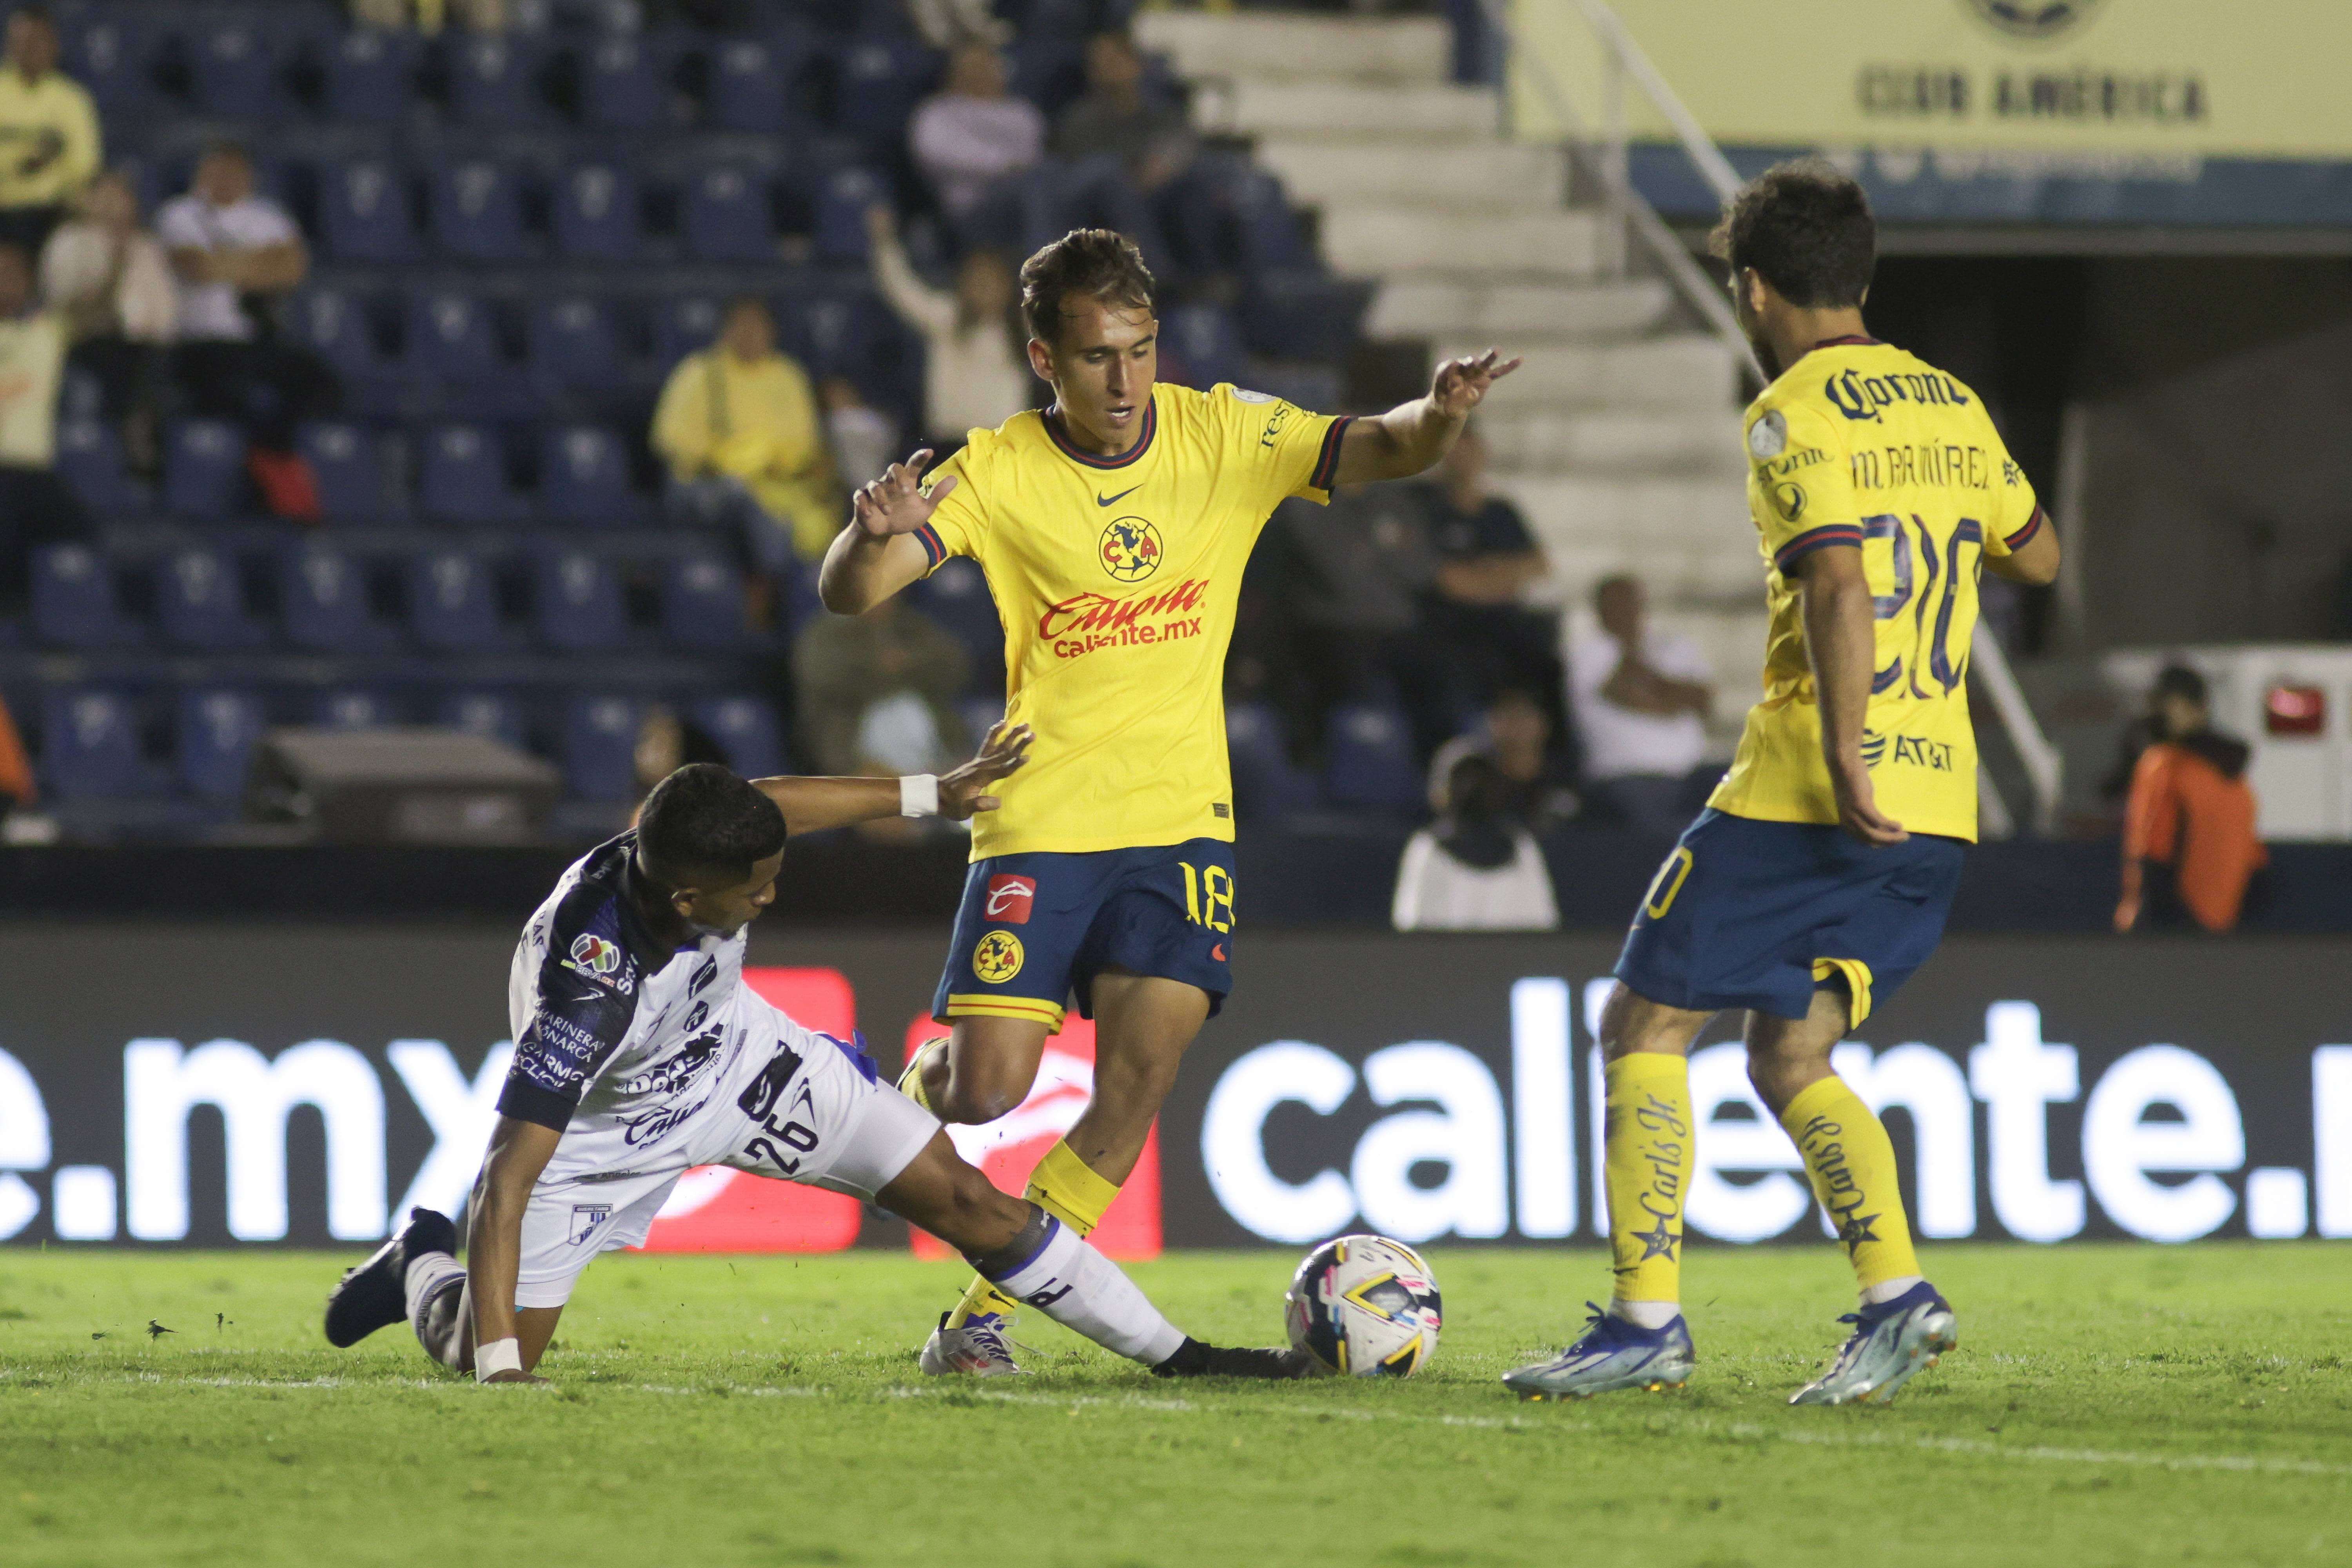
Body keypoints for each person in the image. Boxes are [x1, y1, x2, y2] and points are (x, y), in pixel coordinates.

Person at [820, 224, 1519, 1374]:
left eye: (1140, 350)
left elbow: (1385, 445)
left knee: (1139, 1076)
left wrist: (1438, 414)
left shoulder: (1223, 433)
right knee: (984, 1091)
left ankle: (980, 1320)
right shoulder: (995, 468)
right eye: (1097, 356)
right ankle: (885, 1095)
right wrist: (866, 535)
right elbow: (852, 592)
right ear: (1044, 360)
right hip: (1041, 819)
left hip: (1181, 822)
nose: (1125, 380)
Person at [1503, 161, 2060, 1405]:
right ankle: (1896, 1297)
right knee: (1791, 1052)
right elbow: (2038, 554)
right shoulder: (1954, 405)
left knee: (1641, 1025)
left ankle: (1644, 1321)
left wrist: (1848, 749)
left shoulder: (1787, 413)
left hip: (1809, 786)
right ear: (1859, 273)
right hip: (1940, 803)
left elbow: (1839, 581)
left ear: (1752, 289)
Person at [321, 746, 1305, 1385]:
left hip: (742, 1059)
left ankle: (1187, 1359)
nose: (770, 896)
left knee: (966, 1197)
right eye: (755, 890)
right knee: (480, 1341)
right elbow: (505, 1178)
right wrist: (503, 1374)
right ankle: (421, 1263)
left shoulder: (693, 843)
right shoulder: (593, 987)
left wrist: (931, 793)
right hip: (604, 1135)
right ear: (689, 898)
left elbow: (775, 804)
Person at [156, 142, 333, 519]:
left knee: (319, 381)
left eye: (234, 171)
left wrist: (226, 263)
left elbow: (292, 269)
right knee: (240, 396)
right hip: (200, 342)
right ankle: (269, 475)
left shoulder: (268, 216)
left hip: (256, 338)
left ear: (249, 177)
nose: (226, 179)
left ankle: (273, 460)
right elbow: (197, 267)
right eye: (217, 170)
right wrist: (259, 264)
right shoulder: (180, 214)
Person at [1265, 482, 1454, 766]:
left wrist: (1373, 551)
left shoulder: (1396, 499)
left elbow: (1422, 569)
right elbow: (1334, 568)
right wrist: (1384, 548)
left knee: (1444, 681)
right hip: (1334, 627)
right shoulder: (1306, 501)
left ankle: (1435, 767)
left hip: (1399, 627)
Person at [651, 296, 835, 574]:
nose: (750, 334)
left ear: (772, 332)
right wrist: (726, 460)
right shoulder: (700, 371)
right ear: (725, 330)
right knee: (741, 494)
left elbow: (805, 444)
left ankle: (797, 585)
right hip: (706, 485)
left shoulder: (788, 375)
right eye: (741, 325)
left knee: (820, 515)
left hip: (775, 484)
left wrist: (766, 459)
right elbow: (669, 440)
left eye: (758, 326)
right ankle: (773, 579)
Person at [1415, 424, 1562, 729]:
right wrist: (1502, 574)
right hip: (1448, 629)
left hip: (1505, 626)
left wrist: (1484, 571)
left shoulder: (1501, 511)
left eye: (1469, 449)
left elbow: (1540, 566)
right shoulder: (1423, 507)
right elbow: (1450, 581)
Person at [40, 169, 175, 474]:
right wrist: (116, 262)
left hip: (143, 349)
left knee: (158, 369)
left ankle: (146, 460)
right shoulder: (69, 241)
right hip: (85, 345)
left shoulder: (147, 246)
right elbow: (70, 311)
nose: (114, 204)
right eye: (105, 196)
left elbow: (165, 318)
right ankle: (119, 456)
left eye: (121, 196)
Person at [2115, 664, 2265, 934]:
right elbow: (2254, 863)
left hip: (2172, 925)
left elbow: (2152, 854)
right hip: (2224, 927)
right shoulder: (2234, 779)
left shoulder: (2165, 765)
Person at [866, 205, 1029, 450]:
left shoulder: (1025, 328)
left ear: (1008, 287)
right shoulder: (947, 318)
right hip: (948, 443)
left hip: (1001, 446)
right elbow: (901, 289)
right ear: (963, 284)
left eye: (991, 282)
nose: (983, 289)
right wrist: (884, 242)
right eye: (976, 281)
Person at [1570, 574, 1716, 836]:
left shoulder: (1674, 645)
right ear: (1599, 611)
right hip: (1628, 778)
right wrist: (1675, 694)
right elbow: (1632, 698)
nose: (1624, 612)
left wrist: (1655, 686)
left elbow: (1704, 701)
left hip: (1693, 773)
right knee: (1668, 835)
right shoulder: (1589, 653)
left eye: (1630, 603)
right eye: (1615, 604)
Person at [793, 594, 971, 779]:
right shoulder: (827, 631)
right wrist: (883, 667)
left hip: (926, 726)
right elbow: (822, 676)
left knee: (909, 709)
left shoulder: (909, 624)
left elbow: (954, 664)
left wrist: (902, 663)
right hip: (850, 727)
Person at [0, 240, 83, 615]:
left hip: (33, 471)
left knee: (82, 531)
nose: (4, 282)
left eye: (11, 273)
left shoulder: (46, 332)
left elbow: (95, 312)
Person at [1391, 752, 1558, 932]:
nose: (1472, 788)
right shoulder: (1426, 848)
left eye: (1482, 781)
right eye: (1463, 781)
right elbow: (1410, 928)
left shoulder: (1523, 848)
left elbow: (1543, 925)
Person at [0, 7, 100, 258]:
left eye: (37, 41)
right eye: (22, 41)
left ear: (53, 45)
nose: (29, 49)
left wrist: (40, 174)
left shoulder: (73, 99)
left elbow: (84, 167)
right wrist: (24, 164)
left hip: (50, 213)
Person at [908, 43, 1044, 224]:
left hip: (1022, 190)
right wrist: (1002, 165)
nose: (979, 74)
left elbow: (1031, 156)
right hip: (971, 201)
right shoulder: (936, 112)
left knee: (1049, 181)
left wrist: (1015, 169)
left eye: (985, 67)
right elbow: (934, 153)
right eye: (971, 68)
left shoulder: (1022, 112)